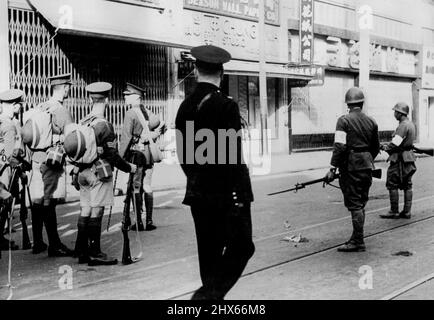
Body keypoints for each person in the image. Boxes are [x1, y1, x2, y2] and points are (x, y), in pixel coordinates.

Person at [175, 45, 255, 300]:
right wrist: (238, 196)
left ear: (196, 71)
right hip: (227, 195)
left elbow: (184, 156)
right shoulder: (225, 105)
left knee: (208, 257)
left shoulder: (184, 107)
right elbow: (232, 158)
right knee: (242, 246)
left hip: (198, 193)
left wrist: (198, 179)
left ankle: (209, 297)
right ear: (222, 72)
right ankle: (205, 298)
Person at [67, 82, 137, 266]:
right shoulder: (105, 125)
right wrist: (129, 168)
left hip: (81, 172)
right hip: (98, 173)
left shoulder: (84, 121)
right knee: (97, 211)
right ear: (106, 100)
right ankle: (95, 252)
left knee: (85, 209)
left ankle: (81, 250)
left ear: (90, 99)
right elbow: (112, 155)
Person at [24, 73, 75, 257]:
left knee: (38, 200)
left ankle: (38, 242)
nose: (70, 89)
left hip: (36, 159)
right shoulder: (60, 110)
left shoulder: (41, 106)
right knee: (49, 201)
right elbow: (72, 139)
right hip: (51, 160)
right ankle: (55, 244)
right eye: (69, 86)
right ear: (65, 88)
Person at [325, 87, 380, 252]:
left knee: (355, 204)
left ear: (348, 104)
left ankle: (358, 241)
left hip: (351, 167)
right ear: (361, 103)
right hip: (367, 166)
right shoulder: (372, 121)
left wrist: (332, 168)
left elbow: (340, 147)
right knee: (361, 202)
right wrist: (366, 158)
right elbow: (375, 147)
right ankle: (357, 237)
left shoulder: (344, 121)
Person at [119, 83, 166, 231]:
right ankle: (149, 221)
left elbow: (126, 138)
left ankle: (138, 221)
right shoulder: (148, 112)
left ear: (136, 97)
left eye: (128, 95)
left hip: (136, 155)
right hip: (149, 155)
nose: (125, 97)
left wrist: (119, 158)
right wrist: (153, 134)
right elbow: (160, 125)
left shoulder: (130, 113)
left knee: (136, 187)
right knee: (147, 186)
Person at [379, 102, 416, 219]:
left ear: (400, 113)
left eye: (395, 112)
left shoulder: (402, 125)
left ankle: (394, 211)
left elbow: (395, 143)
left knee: (392, 183)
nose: (394, 114)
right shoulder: (410, 124)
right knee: (407, 184)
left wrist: (385, 147)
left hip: (399, 159)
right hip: (408, 158)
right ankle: (406, 211)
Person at [0, 89, 26, 251]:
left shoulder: (2, 121)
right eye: (19, 106)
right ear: (15, 106)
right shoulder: (9, 125)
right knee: (5, 204)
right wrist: (21, 170)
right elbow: (10, 155)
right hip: (5, 171)